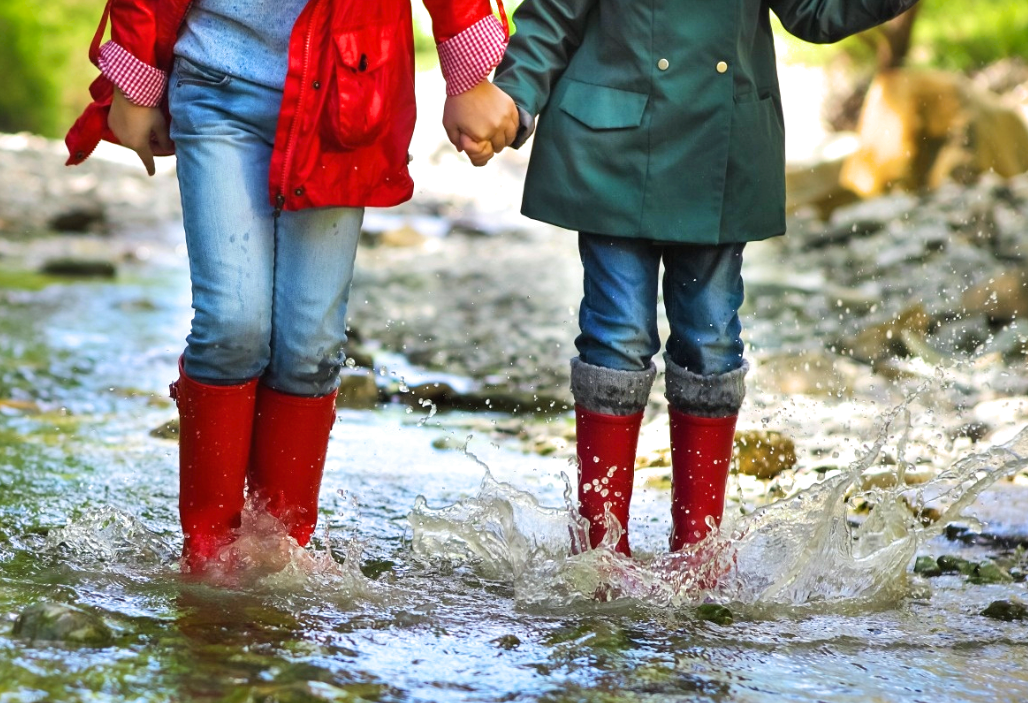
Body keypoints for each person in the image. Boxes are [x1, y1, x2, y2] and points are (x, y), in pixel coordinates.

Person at [65, 0, 519, 574]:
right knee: (232, 326)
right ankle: (208, 559)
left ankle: (279, 557)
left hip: (347, 90)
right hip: (215, 79)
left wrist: (470, 75)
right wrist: (136, 72)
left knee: (309, 349)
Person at [471, 0, 920, 557]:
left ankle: (699, 552)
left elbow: (814, 13)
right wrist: (514, 97)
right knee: (616, 335)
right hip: (612, 145)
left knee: (711, 340)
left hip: (721, 144)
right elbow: (554, 14)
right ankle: (599, 551)